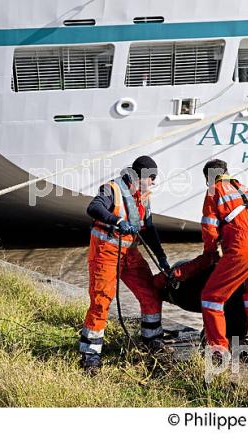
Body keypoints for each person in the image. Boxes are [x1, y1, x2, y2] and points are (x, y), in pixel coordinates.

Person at [79, 155, 171, 371]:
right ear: (139, 176)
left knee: (151, 292)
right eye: (152, 177)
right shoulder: (112, 189)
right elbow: (93, 208)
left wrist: (162, 257)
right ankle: (90, 356)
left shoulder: (144, 196)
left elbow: (149, 228)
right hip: (106, 253)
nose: (154, 182)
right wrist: (118, 221)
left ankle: (152, 342)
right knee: (101, 301)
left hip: (130, 253)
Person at [199, 159, 248, 360]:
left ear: (209, 177)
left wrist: (211, 254)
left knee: (211, 297)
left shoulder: (214, 190)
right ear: (227, 171)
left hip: (243, 248)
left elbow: (209, 227)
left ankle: (219, 349)